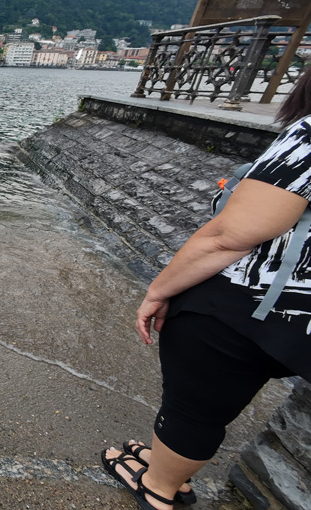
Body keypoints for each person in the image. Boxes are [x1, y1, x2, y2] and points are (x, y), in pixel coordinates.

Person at [101, 68, 311, 510]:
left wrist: (158, 291)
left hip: (247, 305)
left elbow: (229, 236)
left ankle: (159, 487)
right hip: (298, 321)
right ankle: (167, 467)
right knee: (213, 402)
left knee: (195, 407)